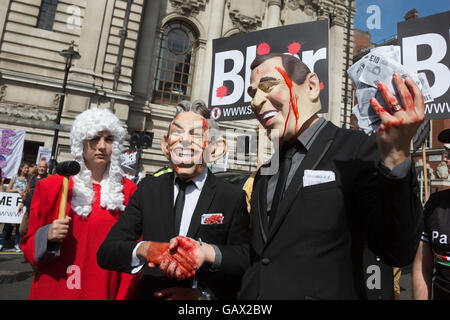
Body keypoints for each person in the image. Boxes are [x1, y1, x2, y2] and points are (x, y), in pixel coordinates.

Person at [239, 53, 424, 299]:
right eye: (252, 93)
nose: (256, 102)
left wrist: (397, 159)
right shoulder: (265, 172)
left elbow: (396, 250)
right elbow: (262, 256)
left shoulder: (357, 150)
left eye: (267, 86)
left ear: (312, 86)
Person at [97, 100, 250, 300]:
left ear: (214, 148)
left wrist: (202, 292)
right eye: (177, 133)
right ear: (166, 145)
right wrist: (145, 248)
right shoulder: (148, 190)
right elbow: (107, 251)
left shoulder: (231, 197)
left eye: (195, 134)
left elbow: (244, 259)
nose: (184, 141)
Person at [20, 107, 137, 300]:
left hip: (102, 290)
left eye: (108, 139)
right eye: (94, 139)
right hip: (56, 290)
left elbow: (132, 253)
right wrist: (47, 236)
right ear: (81, 143)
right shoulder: (51, 186)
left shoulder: (129, 191)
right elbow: (28, 247)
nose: (101, 146)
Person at [412, 128, 450, 300]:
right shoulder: (434, 205)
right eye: (446, 152)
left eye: (449, 153)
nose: (445, 159)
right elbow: (422, 268)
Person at [0, 162, 29, 252]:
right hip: (12, 205)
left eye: (27, 168)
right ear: (21, 168)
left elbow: (28, 190)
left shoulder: (28, 179)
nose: (27, 170)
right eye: (25, 168)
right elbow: (8, 190)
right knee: (7, 225)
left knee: (18, 225)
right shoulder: (15, 177)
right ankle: (1, 243)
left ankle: (17, 244)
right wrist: (17, 190)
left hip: (21, 204)